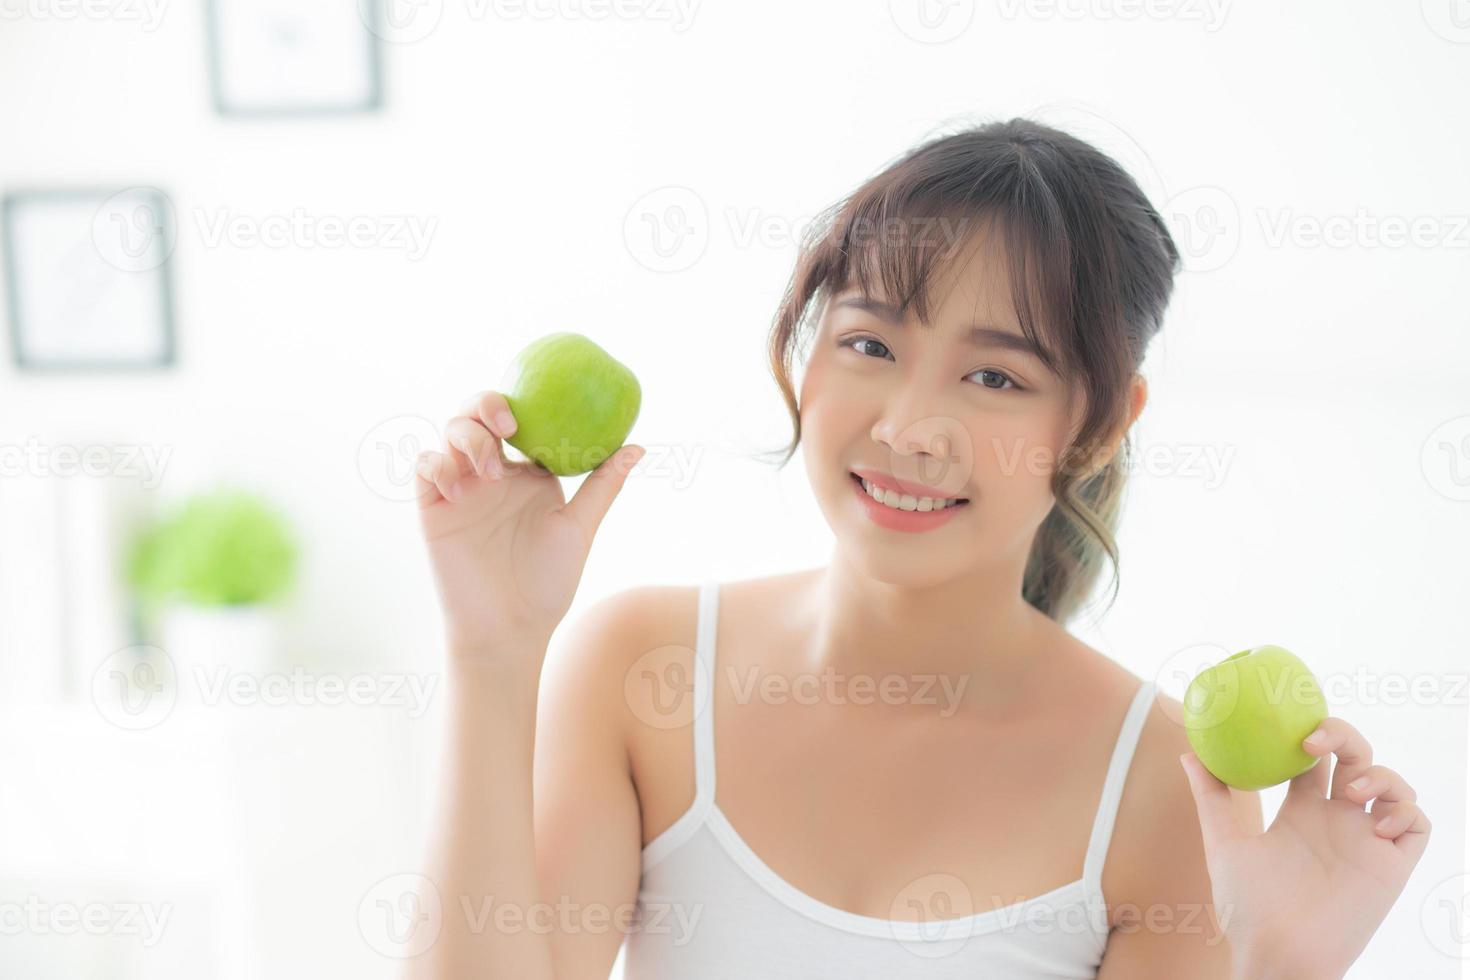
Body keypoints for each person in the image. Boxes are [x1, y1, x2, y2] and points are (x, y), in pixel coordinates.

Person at [409, 118, 1431, 979]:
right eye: (870, 344)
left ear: (1100, 425)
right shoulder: (640, 668)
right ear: (808, 357)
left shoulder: (1168, 784)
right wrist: (492, 649)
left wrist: (1285, 965)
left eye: (995, 378)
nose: (909, 426)